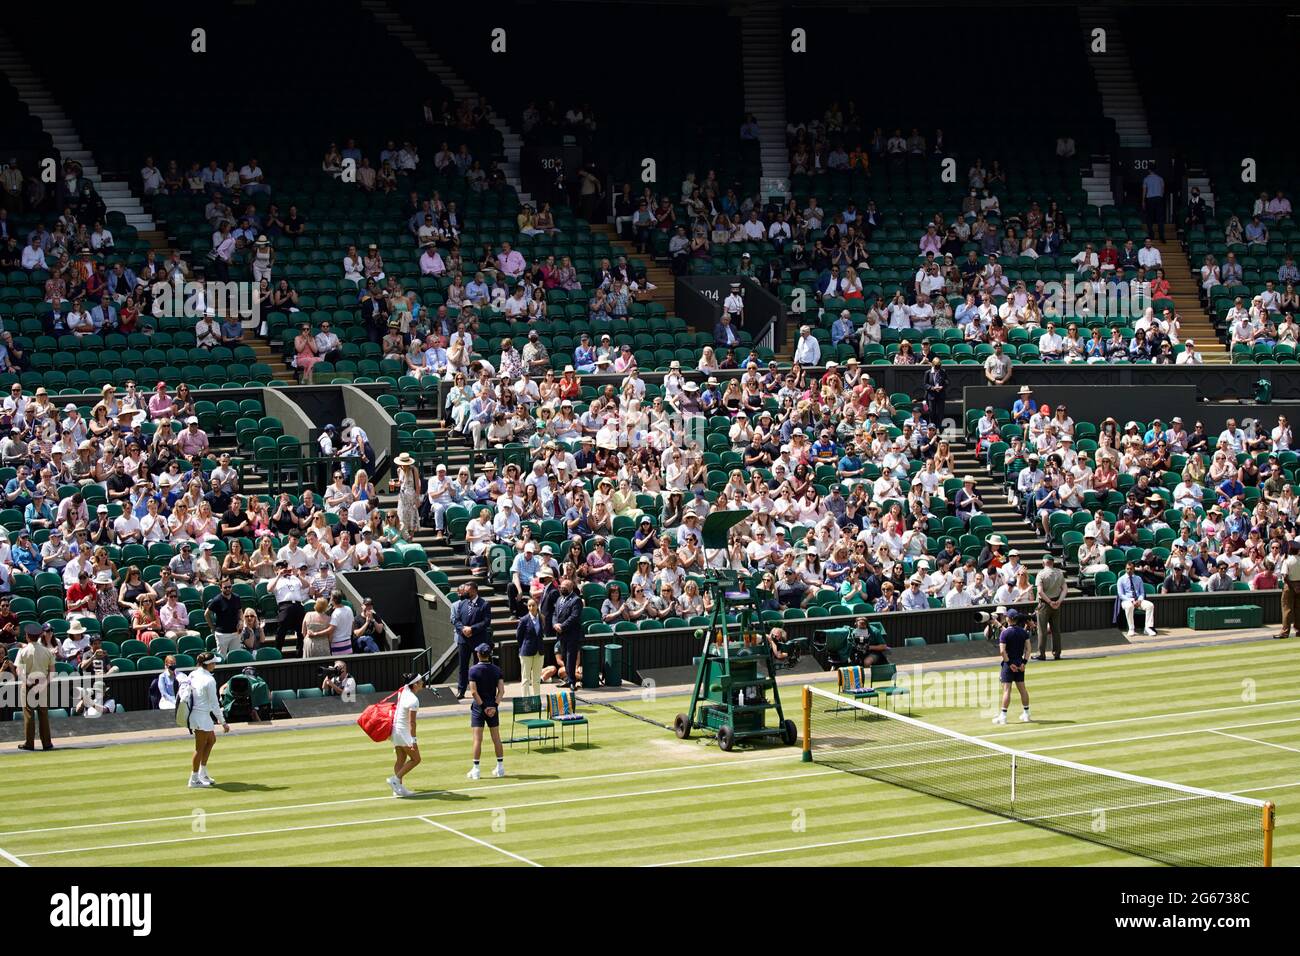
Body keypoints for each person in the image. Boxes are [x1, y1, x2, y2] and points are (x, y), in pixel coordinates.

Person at [186, 652, 229, 788]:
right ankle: (193, 779)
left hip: (199, 715)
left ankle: (202, 772)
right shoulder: (209, 680)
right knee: (199, 747)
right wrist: (223, 722)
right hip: (200, 716)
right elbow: (214, 704)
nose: (215, 665)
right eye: (214, 663)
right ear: (208, 664)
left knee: (211, 740)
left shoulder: (193, 674)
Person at [466, 643, 506, 780]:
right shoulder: (497, 670)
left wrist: (484, 708)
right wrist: (493, 706)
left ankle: (476, 770)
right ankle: (500, 768)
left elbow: (473, 692)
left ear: (478, 654)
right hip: (493, 708)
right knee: (496, 738)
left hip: (479, 708)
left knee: (477, 739)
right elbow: (501, 691)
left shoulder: (473, 670)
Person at [15, 621, 55, 751]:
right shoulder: (47, 651)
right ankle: (47, 743)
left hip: (29, 684)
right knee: (43, 714)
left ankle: (29, 743)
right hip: (42, 683)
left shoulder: (22, 651)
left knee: (29, 714)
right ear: (39, 635)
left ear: (27, 636)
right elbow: (52, 671)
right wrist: (46, 683)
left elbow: (18, 671)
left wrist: (26, 681)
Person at [450, 581, 491, 699]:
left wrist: (472, 629)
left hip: (478, 640)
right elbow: (456, 620)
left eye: (467, 591)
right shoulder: (462, 604)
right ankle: (461, 690)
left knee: (479, 665)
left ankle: (479, 690)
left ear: (474, 590)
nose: (464, 593)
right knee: (463, 666)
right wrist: (463, 629)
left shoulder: (484, 604)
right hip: (463, 640)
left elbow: (486, 622)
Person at [387, 672, 423, 798]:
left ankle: (397, 789)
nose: (422, 683)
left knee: (401, 759)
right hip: (402, 732)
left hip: (394, 731)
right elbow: (412, 722)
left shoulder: (402, 691)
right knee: (416, 759)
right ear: (415, 684)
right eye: (421, 681)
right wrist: (413, 740)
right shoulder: (414, 700)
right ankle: (395, 780)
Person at [993, 608, 1031, 725]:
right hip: (1020, 664)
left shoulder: (1005, 633)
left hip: (1008, 665)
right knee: (1022, 689)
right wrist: (1023, 663)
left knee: (1006, 690)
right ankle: (1027, 714)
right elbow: (1028, 649)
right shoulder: (1024, 632)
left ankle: (1003, 717)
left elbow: (1002, 651)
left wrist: (1009, 664)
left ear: (1009, 619)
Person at [550, 575, 585, 690]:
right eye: (561, 587)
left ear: (571, 587)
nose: (561, 588)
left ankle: (572, 682)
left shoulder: (576, 600)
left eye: (564, 587)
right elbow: (555, 614)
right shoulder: (559, 599)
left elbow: (574, 617)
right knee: (564, 657)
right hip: (561, 634)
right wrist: (555, 624)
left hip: (572, 634)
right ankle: (568, 679)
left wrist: (562, 626)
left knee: (571, 657)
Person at [1034, 554, 1067, 660]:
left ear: (1043, 563)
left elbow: (1040, 591)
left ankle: (1041, 653)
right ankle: (1057, 653)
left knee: (1042, 630)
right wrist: (1058, 601)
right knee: (1056, 630)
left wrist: (1049, 602)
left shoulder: (1041, 574)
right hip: (1056, 603)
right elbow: (1065, 589)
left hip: (1044, 604)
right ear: (1052, 562)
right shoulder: (1059, 573)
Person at [1115, 560, 1156, 637]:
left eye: (1131, 569)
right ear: (1125, 569)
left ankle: (1147, 628)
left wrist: (1140, 600)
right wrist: (1132, 600)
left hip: (1138, 600)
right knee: (1129, 606)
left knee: (1150, 605)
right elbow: (1121, 595)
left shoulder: (1138, 579)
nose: (1129, 570)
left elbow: (1142, 593)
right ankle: (1131, 629)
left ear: (1134, 569)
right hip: (1126, 601)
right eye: (1127, 569)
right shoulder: (1120, 580)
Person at [204, 577, 243, 657]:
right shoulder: (217, 600)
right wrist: (212, 627)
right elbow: (206, 614)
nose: (228, 589)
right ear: (220, 588)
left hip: (236, 633)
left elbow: (240, 611)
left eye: (230, 587)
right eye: (225, 587)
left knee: (235, 656)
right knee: (222, 657)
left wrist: (240, 621)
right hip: (222, 634)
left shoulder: (236, 597)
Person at [516, 596, 545, 697]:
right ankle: (526, 703)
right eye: (529, 606)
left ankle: (537, 702)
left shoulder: (542, 618)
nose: (531, 607)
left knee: (536, 679)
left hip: (539, 652)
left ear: (537, 606)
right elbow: (518, 637)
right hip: (526, 652)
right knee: (525, 679)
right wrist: (523, 648)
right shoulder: (523, 620)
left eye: (533, 605)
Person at [1277, 541, 1300, 640]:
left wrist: (1293, 587)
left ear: (1290, 550)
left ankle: (1285, 632)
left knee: (1287, 609)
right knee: (1298, 609)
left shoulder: (1287, 561)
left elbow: (1285, 576)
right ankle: (1299, 630)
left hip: (1289, 586)